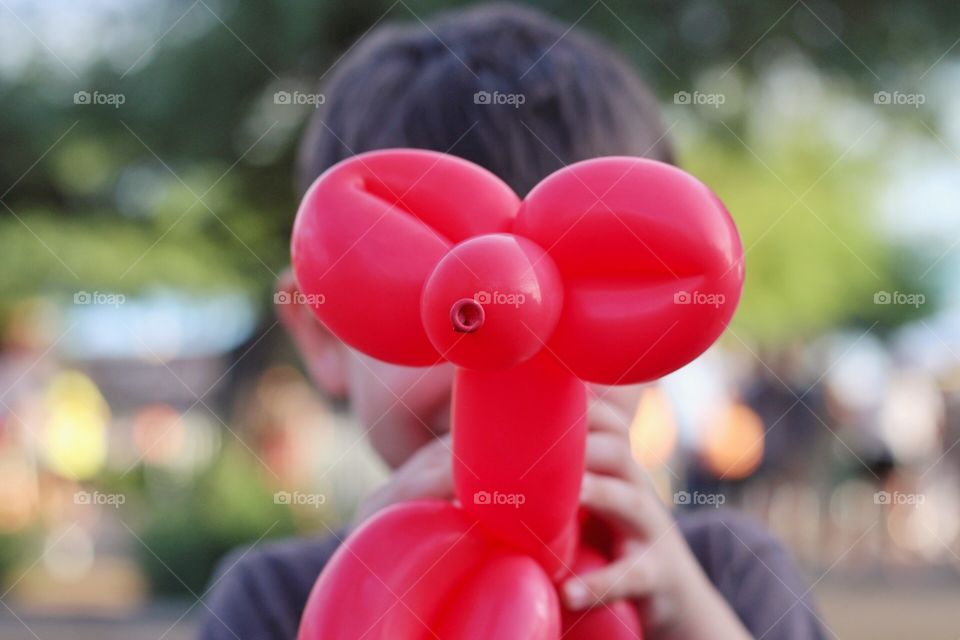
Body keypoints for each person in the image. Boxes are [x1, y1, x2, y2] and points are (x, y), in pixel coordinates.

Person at [199, 4, 825, 639]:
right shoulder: (273, 601)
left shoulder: (731, 572)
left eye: (579, 303)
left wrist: (689, 618)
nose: (514, 364)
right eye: (456, 313)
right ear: (328, 333)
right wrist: (365, 598)